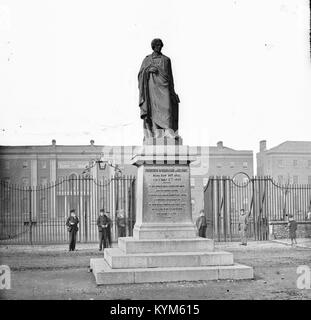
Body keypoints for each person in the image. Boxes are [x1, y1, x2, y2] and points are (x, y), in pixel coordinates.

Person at [138, 38, 180, 139]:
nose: (159, 46)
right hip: (152, 88)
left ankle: (168, 131)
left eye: (160, 45)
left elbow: (170, 77)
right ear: (153, 46)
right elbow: (140, 74)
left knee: (167, 107)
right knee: (153, 110)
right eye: (157, 45)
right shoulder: (147, 60)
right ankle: (157, 132)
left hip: (165, 87)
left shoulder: (166, 60)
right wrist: (148, 70)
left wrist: (173, 91)